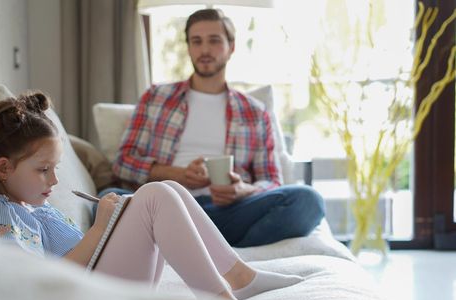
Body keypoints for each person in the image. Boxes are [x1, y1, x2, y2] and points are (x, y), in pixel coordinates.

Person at [0, 91, 303, 300]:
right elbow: (37, 281)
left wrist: (113, 225)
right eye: (43, 169)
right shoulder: (5, 216)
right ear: (4, 169)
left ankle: (240, 276)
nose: (54, 179)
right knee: (155, 194)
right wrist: (100, 229)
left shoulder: (33, 205)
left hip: (101, 289)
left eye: (54, 168)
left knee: (170, 190)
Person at [109, 8, 325, 247]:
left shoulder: (254, 111)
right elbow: (123, 162)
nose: (204, 50)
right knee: (107, 200)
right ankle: (218, 250)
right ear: (189, 47)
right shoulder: (156, 97)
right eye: (196, 41)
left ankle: (207, 251)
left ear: (231, 47)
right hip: (166, 205)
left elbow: (272, 180)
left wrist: (242, 189)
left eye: (214, 41)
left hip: (228, 212)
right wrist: (177, 175)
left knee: (308, 201)